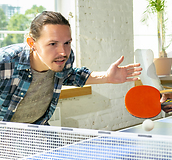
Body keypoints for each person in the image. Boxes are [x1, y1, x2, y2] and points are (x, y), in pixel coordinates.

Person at [0, 11, 142, 124]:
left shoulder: (63, 59)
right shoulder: (5, 62)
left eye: (67, 43)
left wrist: (107, 77)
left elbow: (69, 76)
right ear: (32, 43)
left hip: (38, 128)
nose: (63, 52)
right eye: (53, 44)